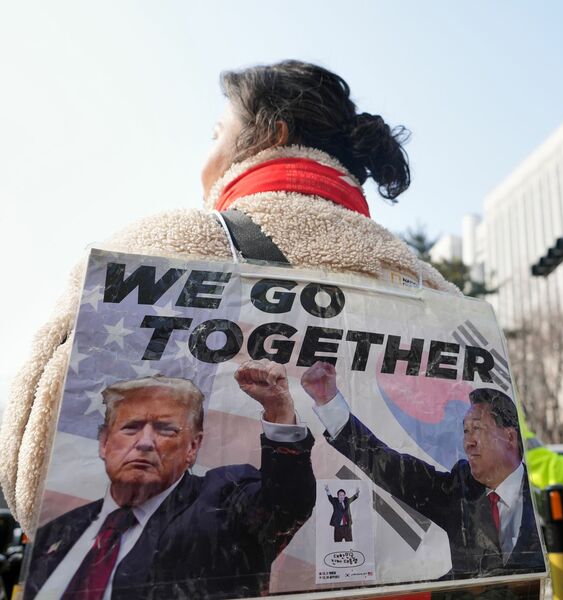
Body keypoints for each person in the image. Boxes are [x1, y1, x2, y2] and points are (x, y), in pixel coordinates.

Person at [0, 60, 458, 535]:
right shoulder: (431, 287)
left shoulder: (161, 247)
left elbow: (32, 477)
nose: (206, 155)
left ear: (272, 135)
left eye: (216, 132)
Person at [25, 360, 315, 599]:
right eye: (131, 427)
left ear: (192, 447)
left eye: (165, 430)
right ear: (103, 444)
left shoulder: (225, 497)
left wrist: (279, 413)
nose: (145, 443)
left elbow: (286, 504)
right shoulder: (56, 532)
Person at [300, 361, 545, 579]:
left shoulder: (544, 500)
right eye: (465, 430)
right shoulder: (459, 489)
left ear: (510, 437)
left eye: (477, 429)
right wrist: (330, 404)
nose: (468, 442)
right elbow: (391, 467)